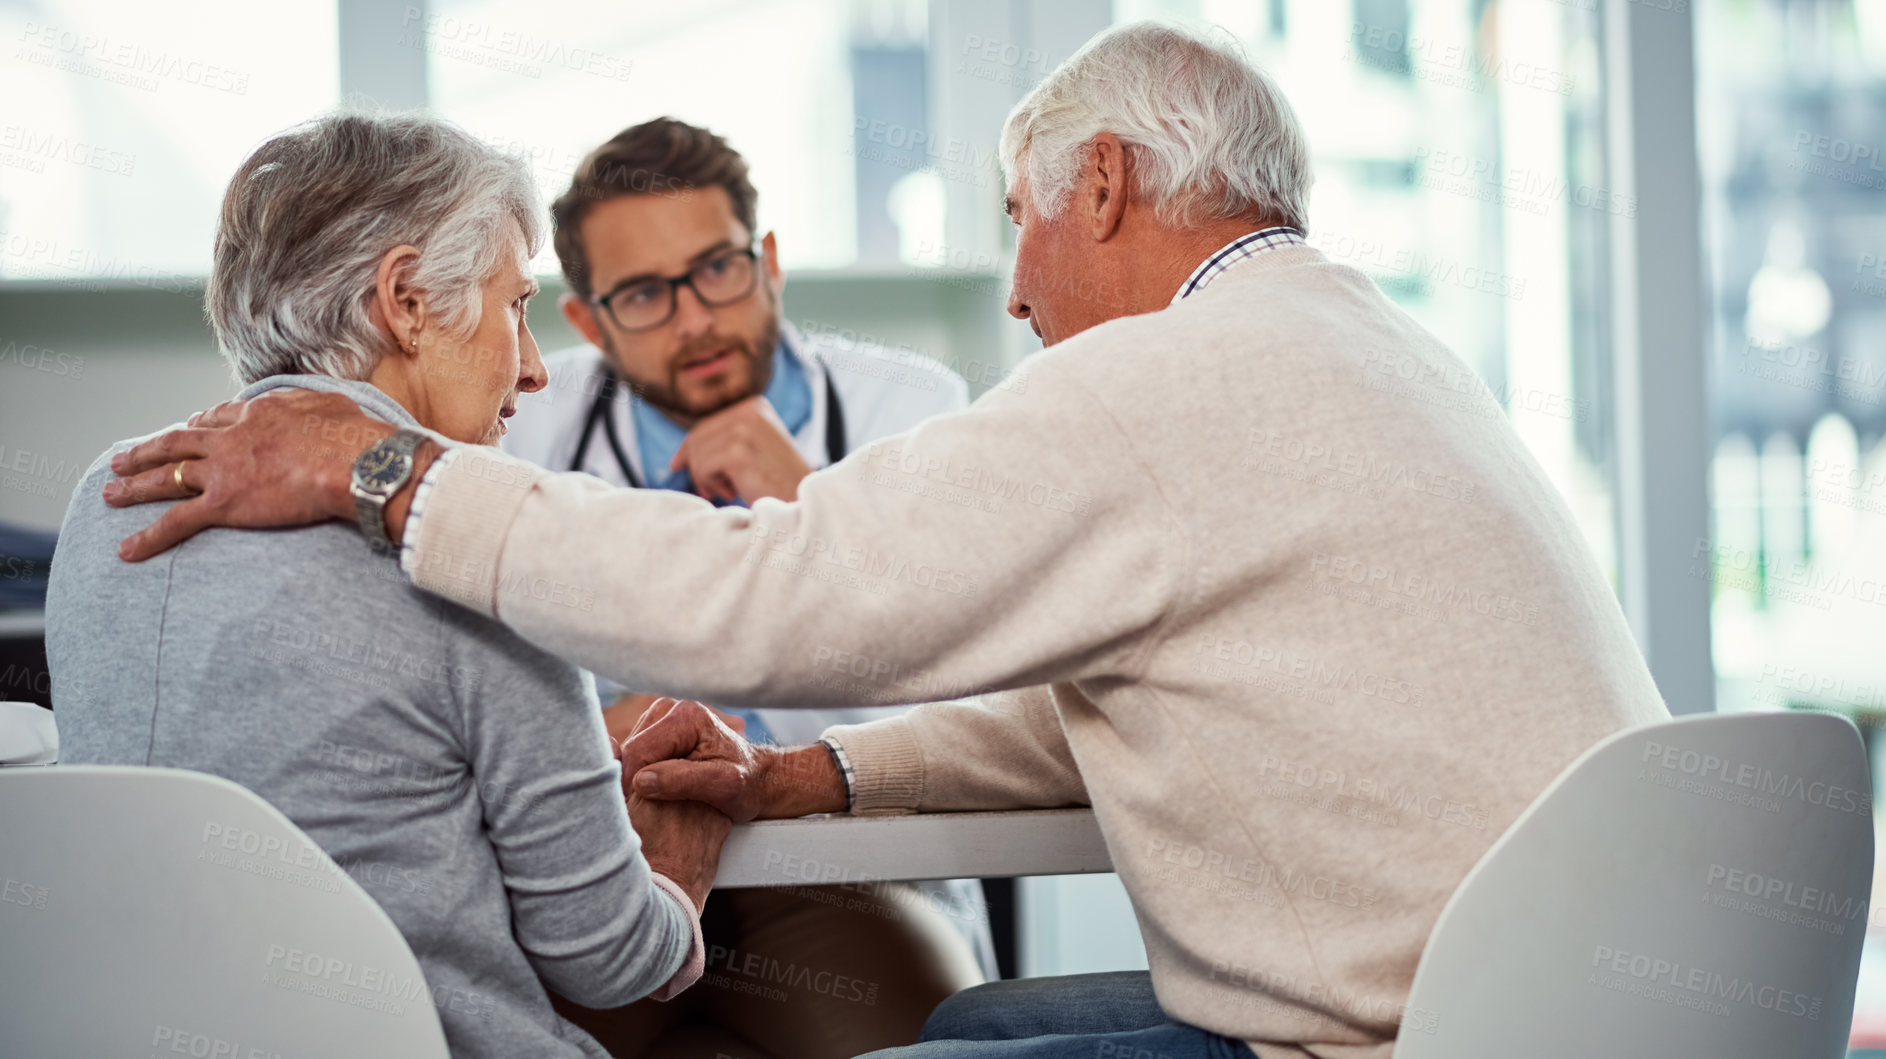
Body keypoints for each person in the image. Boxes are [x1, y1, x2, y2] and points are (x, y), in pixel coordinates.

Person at [103, 22, 1673, 1059]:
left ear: (1106, 181)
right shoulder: (1374, 349)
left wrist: (388, 473)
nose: (1012, 289)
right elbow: (1130, 694)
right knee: (967, 1028)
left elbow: (773, 595)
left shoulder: (1168, 375)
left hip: (1439, 1026)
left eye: (1018, 219)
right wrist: (814, 775)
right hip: (1579, 992)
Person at [46, 114, 734, 1059]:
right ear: (405, 300)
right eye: (516, 305)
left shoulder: (103, 500)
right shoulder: (469, 533)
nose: (534, 369)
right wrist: (678, 860)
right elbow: (608, 960)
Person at [503, 117, 990, 1059]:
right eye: (644, 294)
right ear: (589, 320)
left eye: (717, 270)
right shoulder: (525, 425)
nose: (696, 320)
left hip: (849, 869)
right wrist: (600, 739)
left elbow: (971, 689)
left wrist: (809, 507)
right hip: (608, 873)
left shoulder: (913, 410)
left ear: (766, 260)